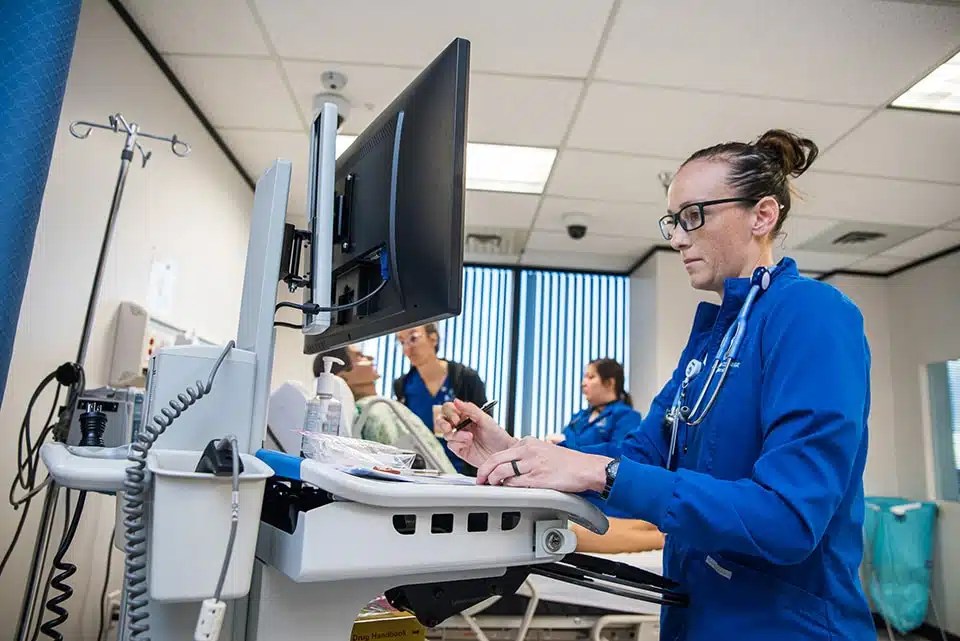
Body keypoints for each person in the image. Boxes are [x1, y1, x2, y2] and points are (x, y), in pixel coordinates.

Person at [436, 129, 874, 640]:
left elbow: (788, 518)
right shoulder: (713, 343)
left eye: (694, 216)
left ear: (762, 215)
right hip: (696, 616)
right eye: (673, 221)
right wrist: (513, 453)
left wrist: (598, 470)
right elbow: (638, 460)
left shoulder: (813, 316)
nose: (678, 237)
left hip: (782, 626)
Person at [314, 347, 457, 474]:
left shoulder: (380, 405)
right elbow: (397, 464)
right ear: (343, 376)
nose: (370, 358)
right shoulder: (376, 410)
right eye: (360, 357)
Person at [393, 323, 487, 474]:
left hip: (464, 473)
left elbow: (484, 428)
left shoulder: (465, 379)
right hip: (423, 473)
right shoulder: (403, 386)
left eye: (413, 338)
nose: (407, 348)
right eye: (402, 342)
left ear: (433, 338)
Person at [549, 358, 642, 453]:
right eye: (584, 377)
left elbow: (619, 452)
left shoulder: (627, 416)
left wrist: (568, 445)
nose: (583, 384)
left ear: (610, 383)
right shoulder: (580, 416)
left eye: (591, 377)